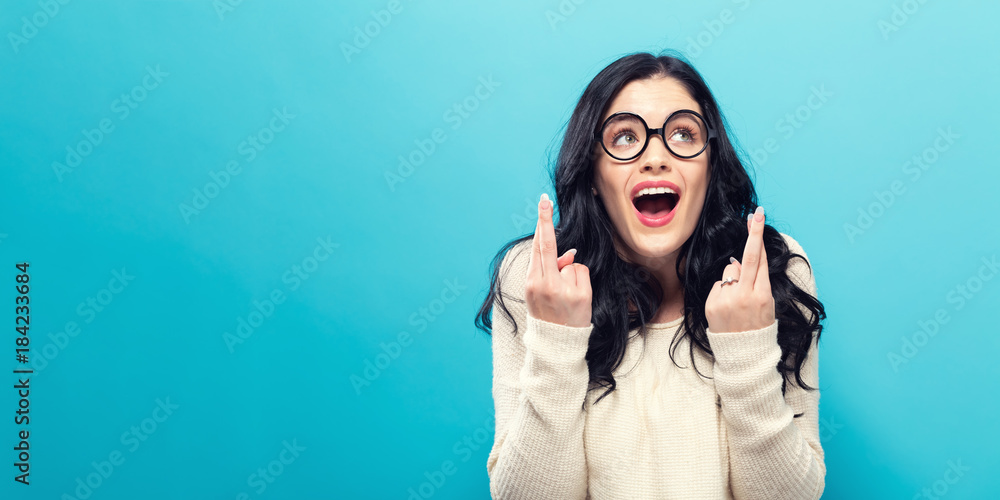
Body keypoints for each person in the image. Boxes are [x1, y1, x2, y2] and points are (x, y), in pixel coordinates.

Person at [474, 51, 827, 499]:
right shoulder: (538, 276)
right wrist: (557, 340)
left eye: (683, 133)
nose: (655, 158)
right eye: (624, 137)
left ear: (710, 165)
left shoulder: (771, 271)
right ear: (594, 173)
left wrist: (746, 352)